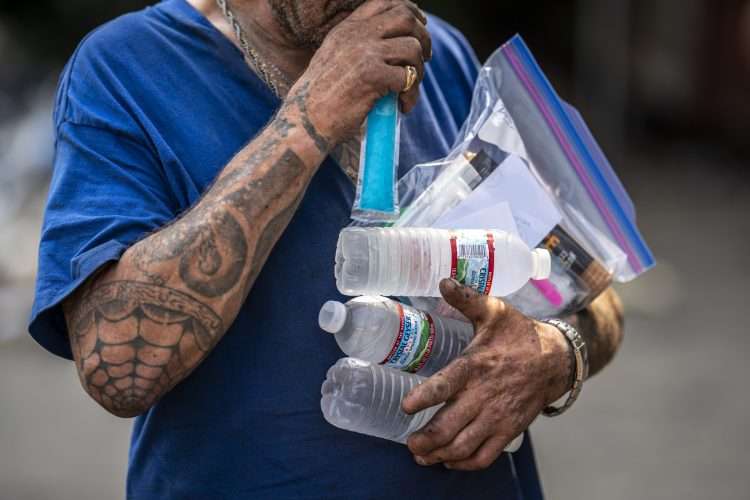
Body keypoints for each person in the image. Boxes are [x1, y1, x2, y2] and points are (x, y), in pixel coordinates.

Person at [29, 0, 624, 498]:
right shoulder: (128, 67)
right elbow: (118, 373)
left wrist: (554, 354)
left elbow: (594, 292)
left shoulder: (447, 59)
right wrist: (314, 113)